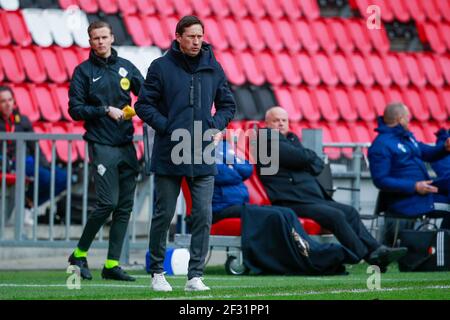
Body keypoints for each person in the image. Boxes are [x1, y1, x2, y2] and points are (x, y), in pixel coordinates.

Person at [135, 16, 236, 291]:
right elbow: (144, 105)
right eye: (191, 36)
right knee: (163, 214)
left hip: (202, 152)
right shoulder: (160, 67)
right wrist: (167, 126)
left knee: (203, 214)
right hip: (170, 151)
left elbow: (228, 105)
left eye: (199, 36)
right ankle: (157, 272)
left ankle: (195, 276)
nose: (196, 41)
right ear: (178, 36)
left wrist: (214, 125)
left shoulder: (213, 68)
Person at [256, 106, 407, 273]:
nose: (280, 124)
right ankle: (368, 256)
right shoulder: (265, 140)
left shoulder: (290, 139)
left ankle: (377, 250)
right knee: (335, 215)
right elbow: (301, 157)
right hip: (290, 201)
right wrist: (307, 159)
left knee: (349, 211)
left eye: (284, 120)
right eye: (276, 120)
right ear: (266, 123)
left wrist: (307, 159)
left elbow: (313, 164)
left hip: (308, 198)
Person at [212, 139, 360, 275]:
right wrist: (234, 168)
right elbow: (220, 174)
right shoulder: (201, 151)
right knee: (276, 215)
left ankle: (309, 252)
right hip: (220, 208)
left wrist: (232, 167)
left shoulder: (224, 146)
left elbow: (247, 169)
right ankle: (307, 256)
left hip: (239, 205)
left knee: (286, 213)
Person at [67, 21, 144, 281]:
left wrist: (138, 108)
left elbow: (146, 95)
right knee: (107, 202)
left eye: (104, 37)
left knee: (124, 207)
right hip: (101, 144)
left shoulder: (127, 68)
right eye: (95, 38)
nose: (100, 42)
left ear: (112, 38)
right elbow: (75, 110)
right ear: (90, 42)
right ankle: (78, 253)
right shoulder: (83, 72)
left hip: (126, 144)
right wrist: (104, 110)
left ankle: (111, 265)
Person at [368, 104, 450, 226]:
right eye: (407, 117)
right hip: (409, 201)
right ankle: (442, 242)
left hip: (423, 196)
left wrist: (444, 148)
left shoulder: (407, 139)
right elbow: (380, 180)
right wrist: (414, 186)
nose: (409, 121)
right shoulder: (381, 145)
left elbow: (427, 152)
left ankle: (440, 241)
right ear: (400, 119)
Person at [0, 85, 67, 226]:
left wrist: (46, 165)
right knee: (45, 177)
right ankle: (26, 205)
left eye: (10, 100)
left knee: (62, 177)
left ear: (14, 101)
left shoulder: (22, 120)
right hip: (6, 163)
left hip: (25, 161)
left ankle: (28, 204)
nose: (7, 104)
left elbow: (34, 146)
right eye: (3, 101)